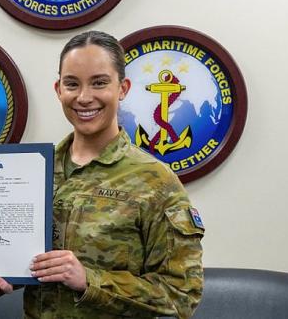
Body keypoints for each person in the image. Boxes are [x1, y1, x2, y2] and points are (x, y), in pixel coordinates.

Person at [23, 31, 205, 318]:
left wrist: (89, 280)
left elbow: (180, 295)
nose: (84, 97)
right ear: (58, 89)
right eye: (72, 84)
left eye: (99, 83)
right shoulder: (33, 172)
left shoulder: (155, 182)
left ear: (123, 88)